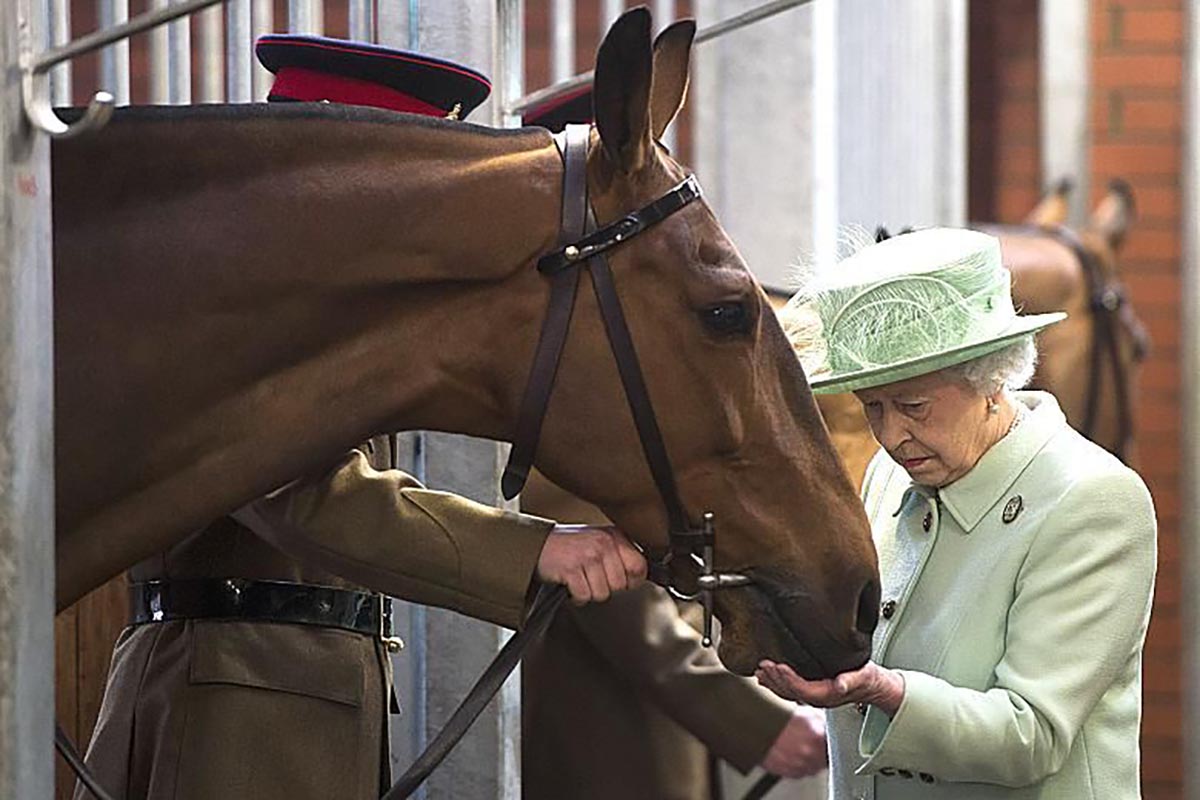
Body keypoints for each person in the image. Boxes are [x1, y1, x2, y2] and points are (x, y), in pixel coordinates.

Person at [75, 36, 646, 800]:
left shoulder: (322, 308)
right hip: (226, 718)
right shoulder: (243, 290)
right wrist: (534, 551)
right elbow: (304, 493)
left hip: (287, 705)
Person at [760, 227, 1157, 798]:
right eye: (873, 406)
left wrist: (885, 692)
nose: (892, 434)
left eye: (914, 406)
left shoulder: (1094, 499)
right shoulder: (890, 471)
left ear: (993, 379)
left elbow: (1032, 734)